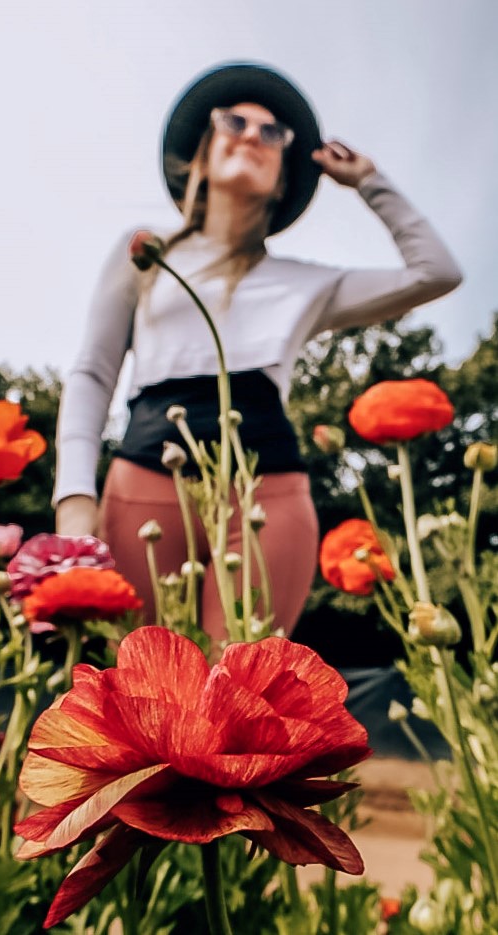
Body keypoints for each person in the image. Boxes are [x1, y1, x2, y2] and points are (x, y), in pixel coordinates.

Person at [52, 62, 462, 644]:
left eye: (273, 133)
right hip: (143, 477)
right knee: (138, 691)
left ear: (284, 175)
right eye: (234, 121)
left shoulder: (308, 284)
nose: (251, 134)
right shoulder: (143, 252)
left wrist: (371, 182)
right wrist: (74, 498)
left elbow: (436, 272)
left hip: (267, 492)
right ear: (202, 149)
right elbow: (93, 373)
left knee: (242, 686)